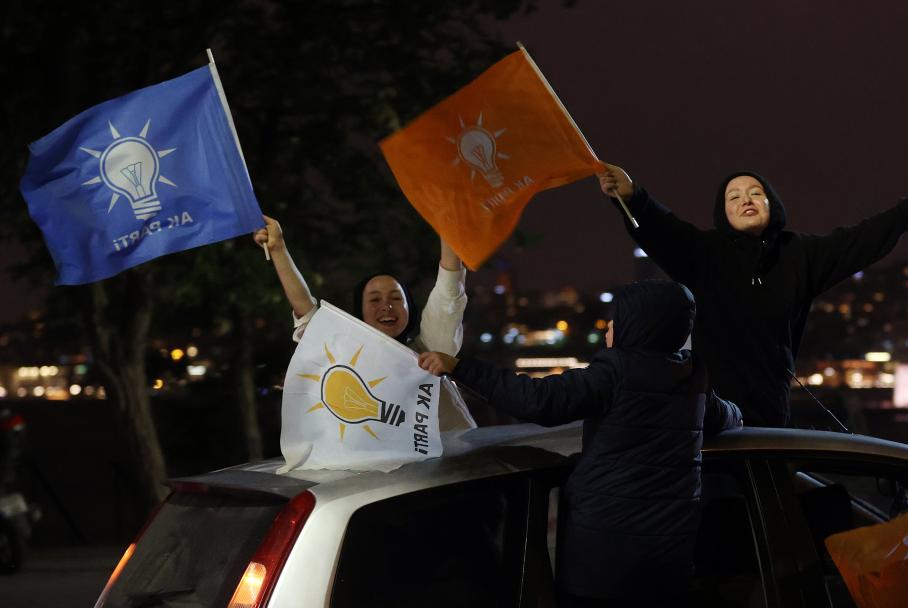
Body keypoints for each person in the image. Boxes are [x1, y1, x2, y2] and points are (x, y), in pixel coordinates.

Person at [419, 280, 742, 608]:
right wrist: (738, 417)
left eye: (616, 321)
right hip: (668, 561)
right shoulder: (692, 374)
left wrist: (461, 368)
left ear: (637, 324)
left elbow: (539, 400)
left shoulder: (615, 371)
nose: (608, 329)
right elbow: (722, 416)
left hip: (602, 559)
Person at [596, 142, 908, 427]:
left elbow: (861, 240)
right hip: (711, 414)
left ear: (771, 204)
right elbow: (663, 230)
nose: (745, 200)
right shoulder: (705, 254)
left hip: (771, 411)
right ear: (723, 213)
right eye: (734, 197)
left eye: (755, 193)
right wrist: (632, 195)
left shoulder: (798, 255)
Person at [253, 215, 467, 355]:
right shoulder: (344, 357)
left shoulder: (430, 354)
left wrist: (448, 217)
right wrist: (278, 249)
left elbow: (448, 296)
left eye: (395, 298)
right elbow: (307, 312)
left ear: (409, 309)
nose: (386, 306)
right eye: (374, 299)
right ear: (360, 312)